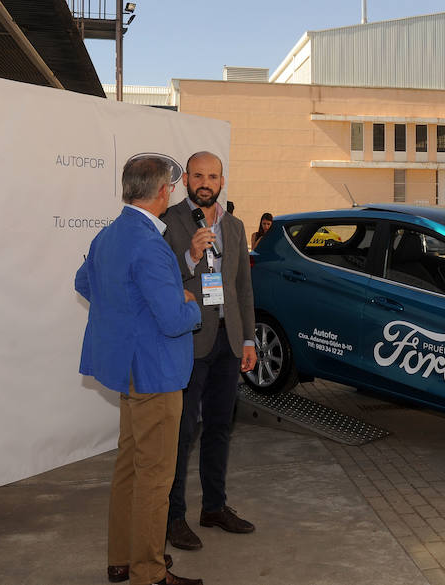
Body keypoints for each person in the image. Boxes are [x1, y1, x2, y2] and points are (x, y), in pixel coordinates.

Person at [75, 156, 202, 585]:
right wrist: (192, 307)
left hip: (130, 371)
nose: (172, 192)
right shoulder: (150, 244)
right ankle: (148, 571)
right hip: (156, 373)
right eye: (171, 186)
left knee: (129, 467)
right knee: (155, 478)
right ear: (162, 192)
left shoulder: (109, 235)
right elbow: (171, 319)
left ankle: (121, 559)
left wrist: (124, 312)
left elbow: (84, 282)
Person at [163, 151, 257, 551]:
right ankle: (173, 518)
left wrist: (249, 339)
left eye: (212, 176)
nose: (205, 182)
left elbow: (242, 289)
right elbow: (161, 281)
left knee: (220, 426)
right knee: (182, 432)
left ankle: (214, 507)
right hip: (190, 338)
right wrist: (192, 257)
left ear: (222, 180)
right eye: (198, 175)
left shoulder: (234, 226)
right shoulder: (168, 222)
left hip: (229, 340)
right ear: (185, 179)